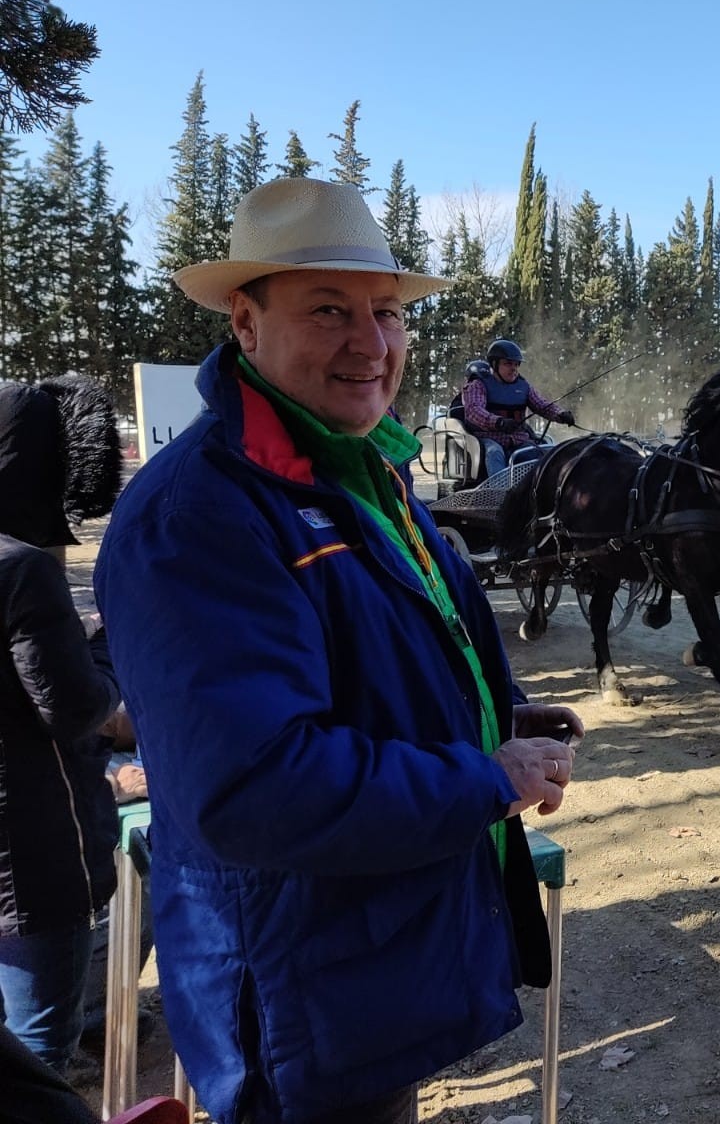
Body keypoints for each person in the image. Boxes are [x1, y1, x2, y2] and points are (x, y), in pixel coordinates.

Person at [94, 178, 582, 1124]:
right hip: (297, 994)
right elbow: (254, 783)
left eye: (386, 312)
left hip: (364, 963)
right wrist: (486, 776)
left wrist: (493, 715)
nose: (372, 344)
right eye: (328, 311)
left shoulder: (358, 468)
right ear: (245, 322)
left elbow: (367, 661)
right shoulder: (199, 514)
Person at [0, 375, 123, 1077]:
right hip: (30, 860)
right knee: (39, 1050)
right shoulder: (22, 571)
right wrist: (106, 647)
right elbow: (75, 709)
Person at [460, 338, 575, 478]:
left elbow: (542, 405)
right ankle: (500, 490)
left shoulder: (524, 387)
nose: (513, 368)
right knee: (494, 453)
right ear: (494, 364)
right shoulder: (478, 384)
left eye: (516, 364)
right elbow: (474, 411)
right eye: (508, 364)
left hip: (519, 439)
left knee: (542, 452)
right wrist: (499, 422)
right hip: (490, 439)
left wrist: (560, 414)